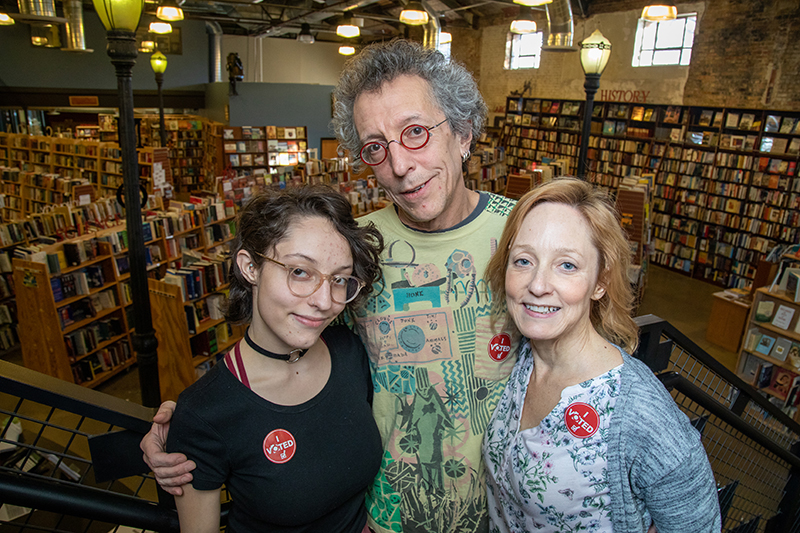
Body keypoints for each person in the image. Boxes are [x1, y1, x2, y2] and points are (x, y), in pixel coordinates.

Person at [141, 39, 519, 533]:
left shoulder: (524, 235)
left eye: (416, 133)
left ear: (464, 134)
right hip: (385, 517)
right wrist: (187, 424)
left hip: (509, 511)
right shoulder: (353, 247)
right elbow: (287, 330)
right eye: (376, 148)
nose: (399, 165)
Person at [482, 178, 721, 533]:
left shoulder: (640, 413)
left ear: (599, 282)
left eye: (567, 265)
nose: (537, 284)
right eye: (523, 260)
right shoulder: (519, 360)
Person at [164, 185, 384, 532]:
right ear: (250, 267)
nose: (325, 301)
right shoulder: (206, 413)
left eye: (339, 279)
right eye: (300, 271)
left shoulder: (349, 352)